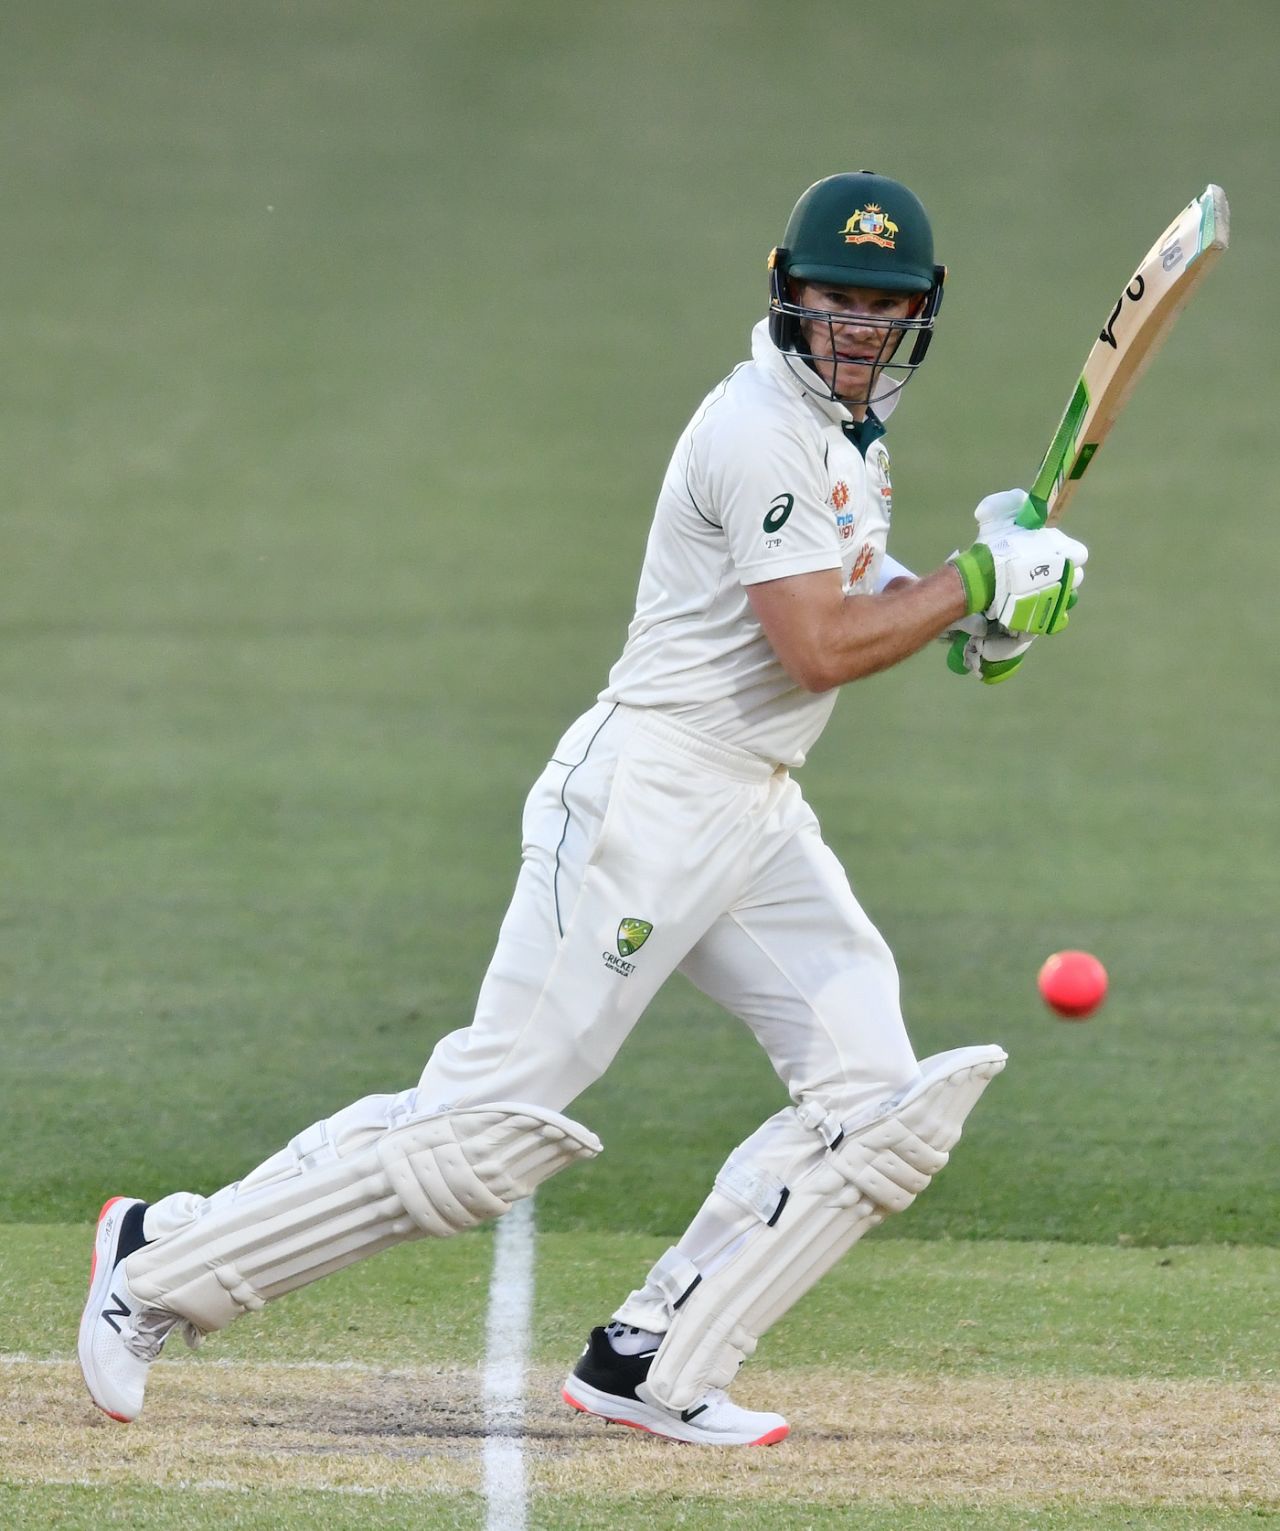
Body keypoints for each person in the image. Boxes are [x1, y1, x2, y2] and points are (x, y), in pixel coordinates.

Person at [78, 171, 1087, 1446]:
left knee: (872, 1103)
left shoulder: (842, 441)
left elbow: (849, 580)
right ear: (786, 296)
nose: (855, 329)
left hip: (754, 808)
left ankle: (652, 1356)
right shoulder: (757, 430)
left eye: (881, 308)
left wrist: (971, 603)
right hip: (647, 799)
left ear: (915, 317)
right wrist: (974, 579)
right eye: (835, 301)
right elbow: (817, 648)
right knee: (484, 1134)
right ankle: (155, 1270)